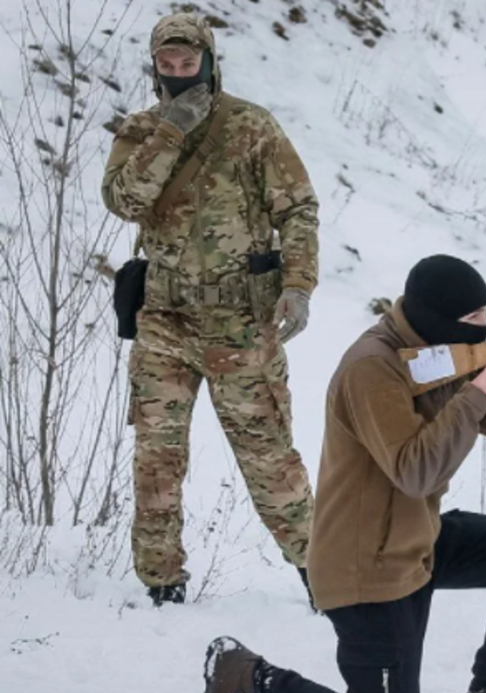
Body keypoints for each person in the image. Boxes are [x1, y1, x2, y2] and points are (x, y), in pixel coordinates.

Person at [195, 255, 486, 693]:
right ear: (437, 319)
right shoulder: (373, 369)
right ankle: (247, 676)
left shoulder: (444, 352)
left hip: (415, 542)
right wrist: (476, 395)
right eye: (474, 319)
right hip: (366, 567)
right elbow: (414, 472)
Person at [101, 13, 319, 607]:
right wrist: (170, 132)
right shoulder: (143, 129)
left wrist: (297, 286)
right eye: (166, 66)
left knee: (269, 457)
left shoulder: (250, 127)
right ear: (155, 68)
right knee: (156, 460)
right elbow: (123, 201)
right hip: (164, 322)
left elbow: (297, 210)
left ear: (209, 61)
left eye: (187, 64)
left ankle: (322, 575)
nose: (177, 74)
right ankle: (161, 584)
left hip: (240, 326)